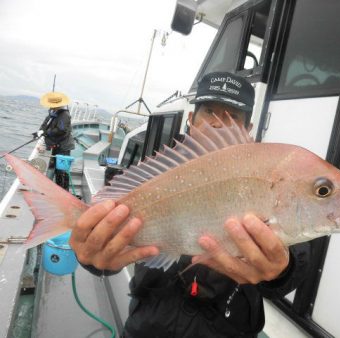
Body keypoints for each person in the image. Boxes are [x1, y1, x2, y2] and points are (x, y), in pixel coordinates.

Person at [69, 72, 310, 338]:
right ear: (191, 120)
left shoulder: (266, 174)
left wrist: (282, 270)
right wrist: (94, 257)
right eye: (210, 111)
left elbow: (295, 254)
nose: (219, 124)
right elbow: (115, 238)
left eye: (232, 116)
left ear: (248, 129)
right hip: (147, 329)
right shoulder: (153, 172)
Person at [34, 92, 75, 190]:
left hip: (63, 147)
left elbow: (61, 130)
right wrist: (39, 132)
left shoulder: (64, 115)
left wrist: (47, 132)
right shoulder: (52, 113)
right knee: (52, 167)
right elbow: (45, 125)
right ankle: (53, 189)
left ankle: (64, 192)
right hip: (54, 145)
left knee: (62, 172)